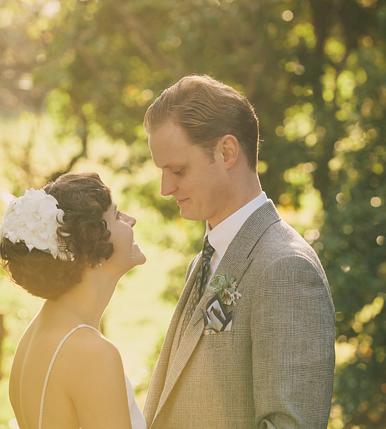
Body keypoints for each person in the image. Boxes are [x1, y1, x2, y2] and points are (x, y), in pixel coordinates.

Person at [143, 75, 335, 428]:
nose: (165, 188)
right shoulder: (202, 262)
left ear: (227, 152)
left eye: (178, 170)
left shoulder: (285, 268)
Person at [0, 172, 147, 429]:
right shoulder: (92, 354)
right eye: (117, 216)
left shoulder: (34, 335)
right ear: (90, 248)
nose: (131, 221)